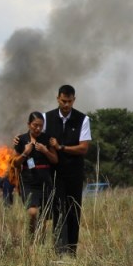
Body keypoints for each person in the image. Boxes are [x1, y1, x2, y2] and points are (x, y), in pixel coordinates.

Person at [44, 84, 92, 255]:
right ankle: (58, 251)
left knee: (73, 210)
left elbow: (83, 148)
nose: (66, 105)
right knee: (57, 210)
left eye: (69, 101)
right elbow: (36, 138)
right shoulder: (46, 118)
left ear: (74, 100)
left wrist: (61, 147)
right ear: (58, 98)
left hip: (74, 173)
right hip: (54, 173)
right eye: (63, 101)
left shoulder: (83, 120)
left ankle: (71, 251)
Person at [13, 112, 59, 240]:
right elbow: (15, 163)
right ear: (29, 125)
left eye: (40, 126)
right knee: (32, 212)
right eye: (35, 125)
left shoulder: (47, 139)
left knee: (43, 217)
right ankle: (32, 237)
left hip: (45, 180)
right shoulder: (21, 140)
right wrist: (25, 153)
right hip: (28, 181)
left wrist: (45, 151)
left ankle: (40, 243)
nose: (38, 128)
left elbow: (55, 160)